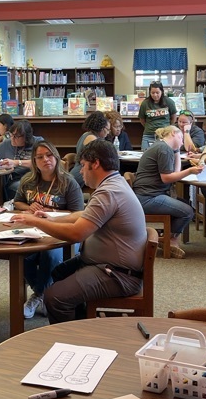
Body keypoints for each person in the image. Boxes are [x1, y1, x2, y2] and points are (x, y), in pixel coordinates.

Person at [10, 139, 147, 324]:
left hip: (117, 274)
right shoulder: (114, 183)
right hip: (109, 265)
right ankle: (82, 320)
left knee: (55, 297)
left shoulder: (108, 192)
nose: (81, 171)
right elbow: (84, 214)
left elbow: (76, 234)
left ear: (95, 163)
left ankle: (72, 339)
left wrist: (33, 220)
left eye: (83, 166)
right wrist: (52, 218)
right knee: (58, 273)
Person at [13, 141, 84, 318]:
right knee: (22, 254)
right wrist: (28, 208)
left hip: (63, 232)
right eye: (40, 157)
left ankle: (38, 294)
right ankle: (43, 292)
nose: (45, 159)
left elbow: (78, 213)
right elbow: (17, 202)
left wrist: (53, 212)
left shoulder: (68, 182)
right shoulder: (28, 181)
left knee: (50, 255)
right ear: (34, 161)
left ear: (56, 157)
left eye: (49, 155)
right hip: (35, 230)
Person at [133, 125, 203, 258]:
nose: (182, 142)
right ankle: (170, 240)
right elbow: (166, 178)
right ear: (173, 133)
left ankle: (168, 238)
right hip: (148, 197)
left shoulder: (164, 147)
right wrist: (189, 170)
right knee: (187, 211)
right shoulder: (163, 149)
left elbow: (175, 172)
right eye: (181, 137)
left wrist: (176, 150)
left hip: (148, 194)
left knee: (183, 203)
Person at [0, 120, 39, 199]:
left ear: (26, 137)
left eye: (16, 136)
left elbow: (39, 162)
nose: (12, 138)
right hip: (11, 178)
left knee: (16, 187)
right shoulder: (7, 143)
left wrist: (16, 162)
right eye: (11, 135)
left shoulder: (38, 143)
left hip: (32, 178)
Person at [70, 112, 110, 186]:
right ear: (101, 128)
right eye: (107, 129)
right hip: (82, 173)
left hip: (78, 171)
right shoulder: (92, 139)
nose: (108, 133)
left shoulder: (86, 134)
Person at [138, 82, 176, 150]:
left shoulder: (169, 102)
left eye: (157, 92)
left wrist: (167, 128)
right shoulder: (145, 103)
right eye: (152, 93)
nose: (155, 95)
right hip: (149, 134)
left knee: (165, 155)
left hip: (164, 135)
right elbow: (142, 119)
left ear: (162, 91)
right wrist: (149, 126)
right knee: (145, 155)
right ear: (149, 92)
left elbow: (173, 117)